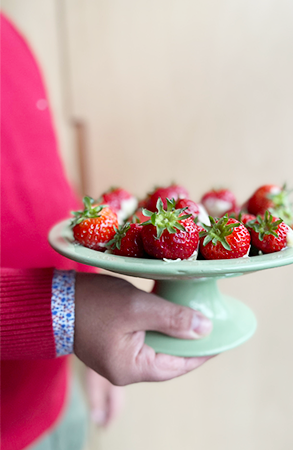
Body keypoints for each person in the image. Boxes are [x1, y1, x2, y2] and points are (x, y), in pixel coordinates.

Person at [0, 13, 214, 450]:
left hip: (56, 392)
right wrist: (65, 316)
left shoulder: (7, 33)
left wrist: (85, 331)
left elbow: (41, 186)